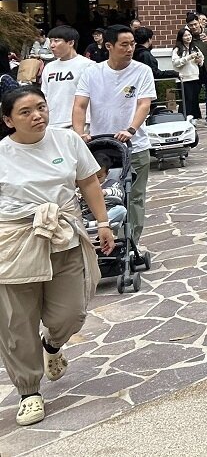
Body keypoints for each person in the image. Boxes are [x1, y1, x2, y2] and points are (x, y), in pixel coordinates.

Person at [0, 86, 114, 428]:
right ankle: (29, 392)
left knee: (71, 312)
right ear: (8, 120)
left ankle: (52, 345)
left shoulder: (68, 141)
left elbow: (89, 183)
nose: (37, 115)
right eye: (25, 112)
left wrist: (104, 222)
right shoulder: (2, 153)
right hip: (14, 241)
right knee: (16, 323)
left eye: (41, 107)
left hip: (64, 235)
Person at [72, 26, 155, 256]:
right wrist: (79, 134)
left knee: (134, 196)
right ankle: (103, 239)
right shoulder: (92, 73)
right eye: (124, 45)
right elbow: (80, 105)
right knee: (103, 195)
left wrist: (131, 129)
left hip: (134, 146)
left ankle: (130, 244)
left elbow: (143, 104)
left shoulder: (142, 71)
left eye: (132, 44)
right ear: (109, 46)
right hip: (102, 148)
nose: (130, 49)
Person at [41, 26, 93, 129]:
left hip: (79, 124)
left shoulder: (88, 66)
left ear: (71, 43)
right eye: (50, 41)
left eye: (56, 41)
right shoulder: (49, 67)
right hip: (53, 124)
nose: (52, 45)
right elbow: (44, 95)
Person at [171, 27, 205, 123]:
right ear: (181, 37)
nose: (188, 37)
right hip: (184, 78)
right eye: (185, 35)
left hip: (195, 77)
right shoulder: (177, 49)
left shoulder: (194, 48)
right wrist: (188, 57)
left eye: (189, 35)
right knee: (187, 100)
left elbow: (202, 59)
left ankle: (193, 118)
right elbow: (176, 63)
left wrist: (200, 61)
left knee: (194, 99)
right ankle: (184, 118)